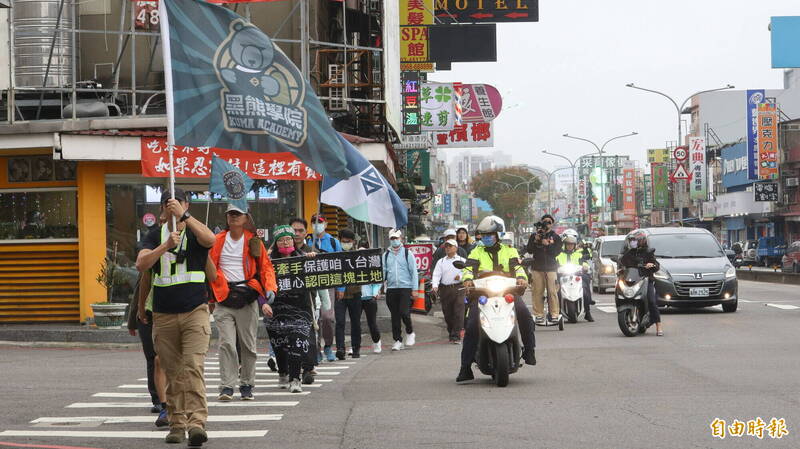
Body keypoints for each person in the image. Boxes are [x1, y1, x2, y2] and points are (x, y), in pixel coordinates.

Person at [135, 187, 216, 446]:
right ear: (161, 208)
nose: (172, 207)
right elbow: (142, 264)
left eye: (177, 203)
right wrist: (165, 245)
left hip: (195, 311)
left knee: (193, 366)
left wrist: (185, 216)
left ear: (186, 204)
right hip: (164, 314)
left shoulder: (195, 229)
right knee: (172, 371)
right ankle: (177, 423)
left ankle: (196, 424)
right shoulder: (154, 235)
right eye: (168, 204)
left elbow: (210, 240)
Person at [208, 204, 277, 402]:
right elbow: (209, 268)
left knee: (248, 345)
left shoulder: (253, 241)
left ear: (246, 217)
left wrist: (270, 287)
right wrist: (209, 297)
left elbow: (266, 268)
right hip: (223, 296)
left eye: (237, 214)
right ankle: (227, 386)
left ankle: (247, 384)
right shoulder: (217, 240)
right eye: (230, 214)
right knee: (226, 343)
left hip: (248, 297)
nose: (233, 217)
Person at [457, 216, 537, 383]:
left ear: (498, 235)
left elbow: (518, 267)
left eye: (490, 234)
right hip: (482, 293)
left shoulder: (510, 250)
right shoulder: (476, 252)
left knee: (525, 315)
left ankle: (529, 351)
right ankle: (465, 367)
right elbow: (469, 269)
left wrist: (522, 278)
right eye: (483, 235)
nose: (486, 237)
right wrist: (467, 280)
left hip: (507, 291)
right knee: (471, 325)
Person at [265, 225, 317, 393]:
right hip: (276, 309)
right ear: (276, 243)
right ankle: (283, 372)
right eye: (281, 240)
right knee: (280, 346)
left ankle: (295, 379)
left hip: (300, 309)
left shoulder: (303, 257)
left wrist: (312, 259)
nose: (286, 242)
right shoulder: (267, 261)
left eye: (288, 239)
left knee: (297, 343)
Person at [127, 271, 168, 427]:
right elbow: (138, 294)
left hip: (168, 314)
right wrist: (132, 321)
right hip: (146, 317)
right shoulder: (148, 266)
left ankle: (173, 399)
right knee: (153, 358)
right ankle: (157, 399)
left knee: (166, 358)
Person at [307, 214, 342, 362]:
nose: (317, 225)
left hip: (329, 285)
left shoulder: (334, 242)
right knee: (314, 318)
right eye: (314, 222)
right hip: (312, 285)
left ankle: (328, 345)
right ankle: (316, 350)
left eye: (320, 222)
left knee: (327, 317)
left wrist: (341, 288)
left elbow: (341, 265)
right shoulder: (306, 241)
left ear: (326, 224)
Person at [619, 230, 663, 336]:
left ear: (642, 241)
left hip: (646, 279)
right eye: (632, 241)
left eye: (636, 240)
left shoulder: (648, 252)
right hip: (633, 280)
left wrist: (651, 265)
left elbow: (656, 265)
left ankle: (659, 325)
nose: (633, 242)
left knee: (652, 301)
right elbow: (622, 262)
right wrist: (620, 267)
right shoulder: (629, 253)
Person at [382, 229, 418, 351]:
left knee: (404, 312)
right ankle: (397, 340)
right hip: (391, 288)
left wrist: (415, 289)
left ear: (401, 239)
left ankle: (410, 331)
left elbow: (414, 272)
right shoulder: (385, 255)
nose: (395, 240)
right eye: (392, 239)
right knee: (395, 316)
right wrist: (378, 288)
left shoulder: (408, 253)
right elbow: (383, 273)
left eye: (396, 238)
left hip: (405, 288)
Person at [332, 229, 365, 359]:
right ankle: (340, 348)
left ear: (353, 242)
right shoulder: (335, 255)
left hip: (355, 293)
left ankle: (356, 348)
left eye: (349, 242)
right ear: (339, 240)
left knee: (355, 322)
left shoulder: (358, 255)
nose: (346, 244)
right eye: (343, 241)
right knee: (339, 322)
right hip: (339, 294)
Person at [526, 214, 563, 325]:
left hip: (551, 268)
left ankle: (554, 314)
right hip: (537, 268)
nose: (546, 224)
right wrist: (536, 240)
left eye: (549, 222)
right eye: (544, 222)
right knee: (537, 292)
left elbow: (556, 252)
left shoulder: (555, 237)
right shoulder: (534, 236)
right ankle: (538, 315)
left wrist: (547, 244)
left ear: (552, 224)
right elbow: (529, 250)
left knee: (552, 292)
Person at [432, 239, 466, 344]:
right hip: (445, 289)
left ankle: (456, 336)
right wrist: (435, 285)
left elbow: (468, 272)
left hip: (459, 288)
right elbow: (436, 274)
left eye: (450, 246)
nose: (447, 248)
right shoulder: (441, 261)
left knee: (458, 312)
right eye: (446, 246)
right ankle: (451, 331)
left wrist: (460, 277)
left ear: (456, 248)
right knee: (447, 313)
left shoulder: (462, 260)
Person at [556, 234, 594, 322]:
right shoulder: (559, 255)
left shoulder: (578, 255)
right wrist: (555, 268)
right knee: (556, 291)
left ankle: (587, 312)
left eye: (572, 244)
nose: (570, 246)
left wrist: (585, 266)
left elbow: (583, 262)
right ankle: (556, 312)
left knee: (585, 284)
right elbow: (555, 264)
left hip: (577, 275)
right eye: (568, 244)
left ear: (574, 245)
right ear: (564, 245)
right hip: (563, 276)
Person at [359, 241, 383, 354]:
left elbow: (377, 281)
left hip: (369, 298)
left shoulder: (372, 263)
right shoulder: (352, 264)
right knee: (356, 323)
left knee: (372, 323)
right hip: (357, 298)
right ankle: (356, 345)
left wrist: (374, 293)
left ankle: (377, 342)